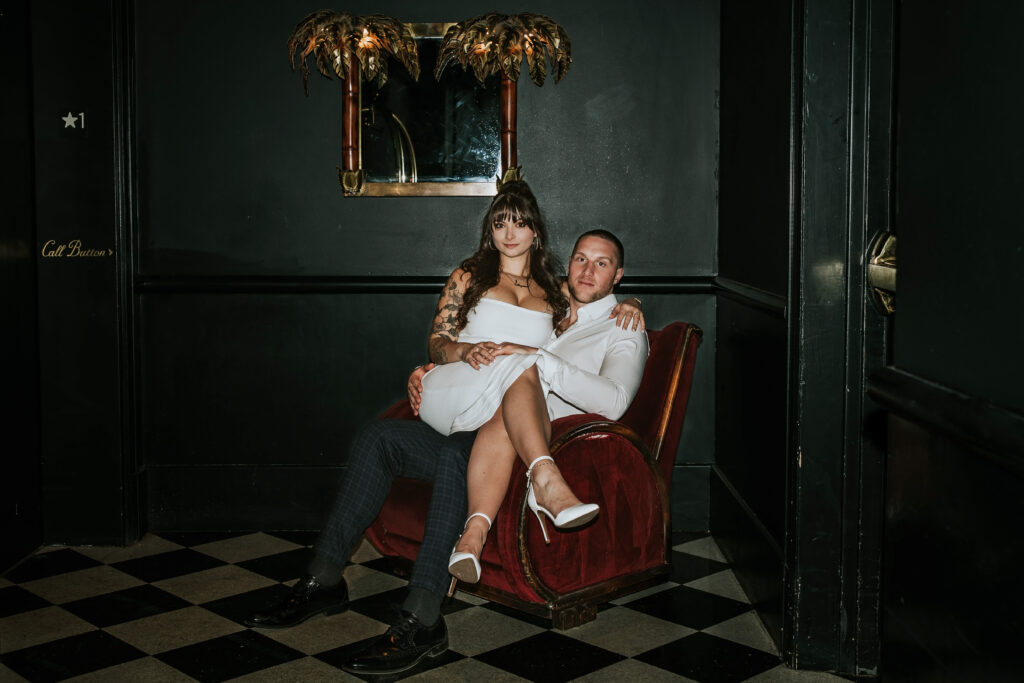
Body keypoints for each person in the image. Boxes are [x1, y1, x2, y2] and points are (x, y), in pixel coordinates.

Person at [243, 192, 644, 677]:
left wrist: (632, 305)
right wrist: (440, 363)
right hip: (471, 409)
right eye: (581, 259)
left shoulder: (598, 315)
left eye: (601, 265)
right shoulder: (557, 297)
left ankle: (423, 619)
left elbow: (606, 380)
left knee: (460, 450)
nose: (586, 271)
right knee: (380, 438)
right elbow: (449, 334)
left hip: (516, 441)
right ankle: (322, 578)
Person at [411, 182, 638, 584]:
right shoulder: (469, 275)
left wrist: (633, 303)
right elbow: (436, 343)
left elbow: (596, 301)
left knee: (522, 367)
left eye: (519, 223)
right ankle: (545, 479)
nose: (510, 233)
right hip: (455, 387)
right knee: (524, 363)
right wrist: (461, 352)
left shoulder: (554, 290)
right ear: (490, 231)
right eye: (500, 224)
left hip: (503, 402)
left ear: (536, 231)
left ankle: (472, 537)